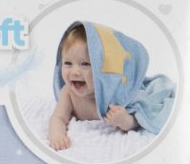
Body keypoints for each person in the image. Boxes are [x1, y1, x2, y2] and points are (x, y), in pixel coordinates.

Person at [48, 23, 136, 151]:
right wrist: (57, 135)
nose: (75, 72)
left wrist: (126, 121)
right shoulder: (68, 93)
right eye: (68, 63)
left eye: (85, 64)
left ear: (102, 69)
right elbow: (58, 118)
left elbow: (139, 120)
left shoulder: (112, 93)